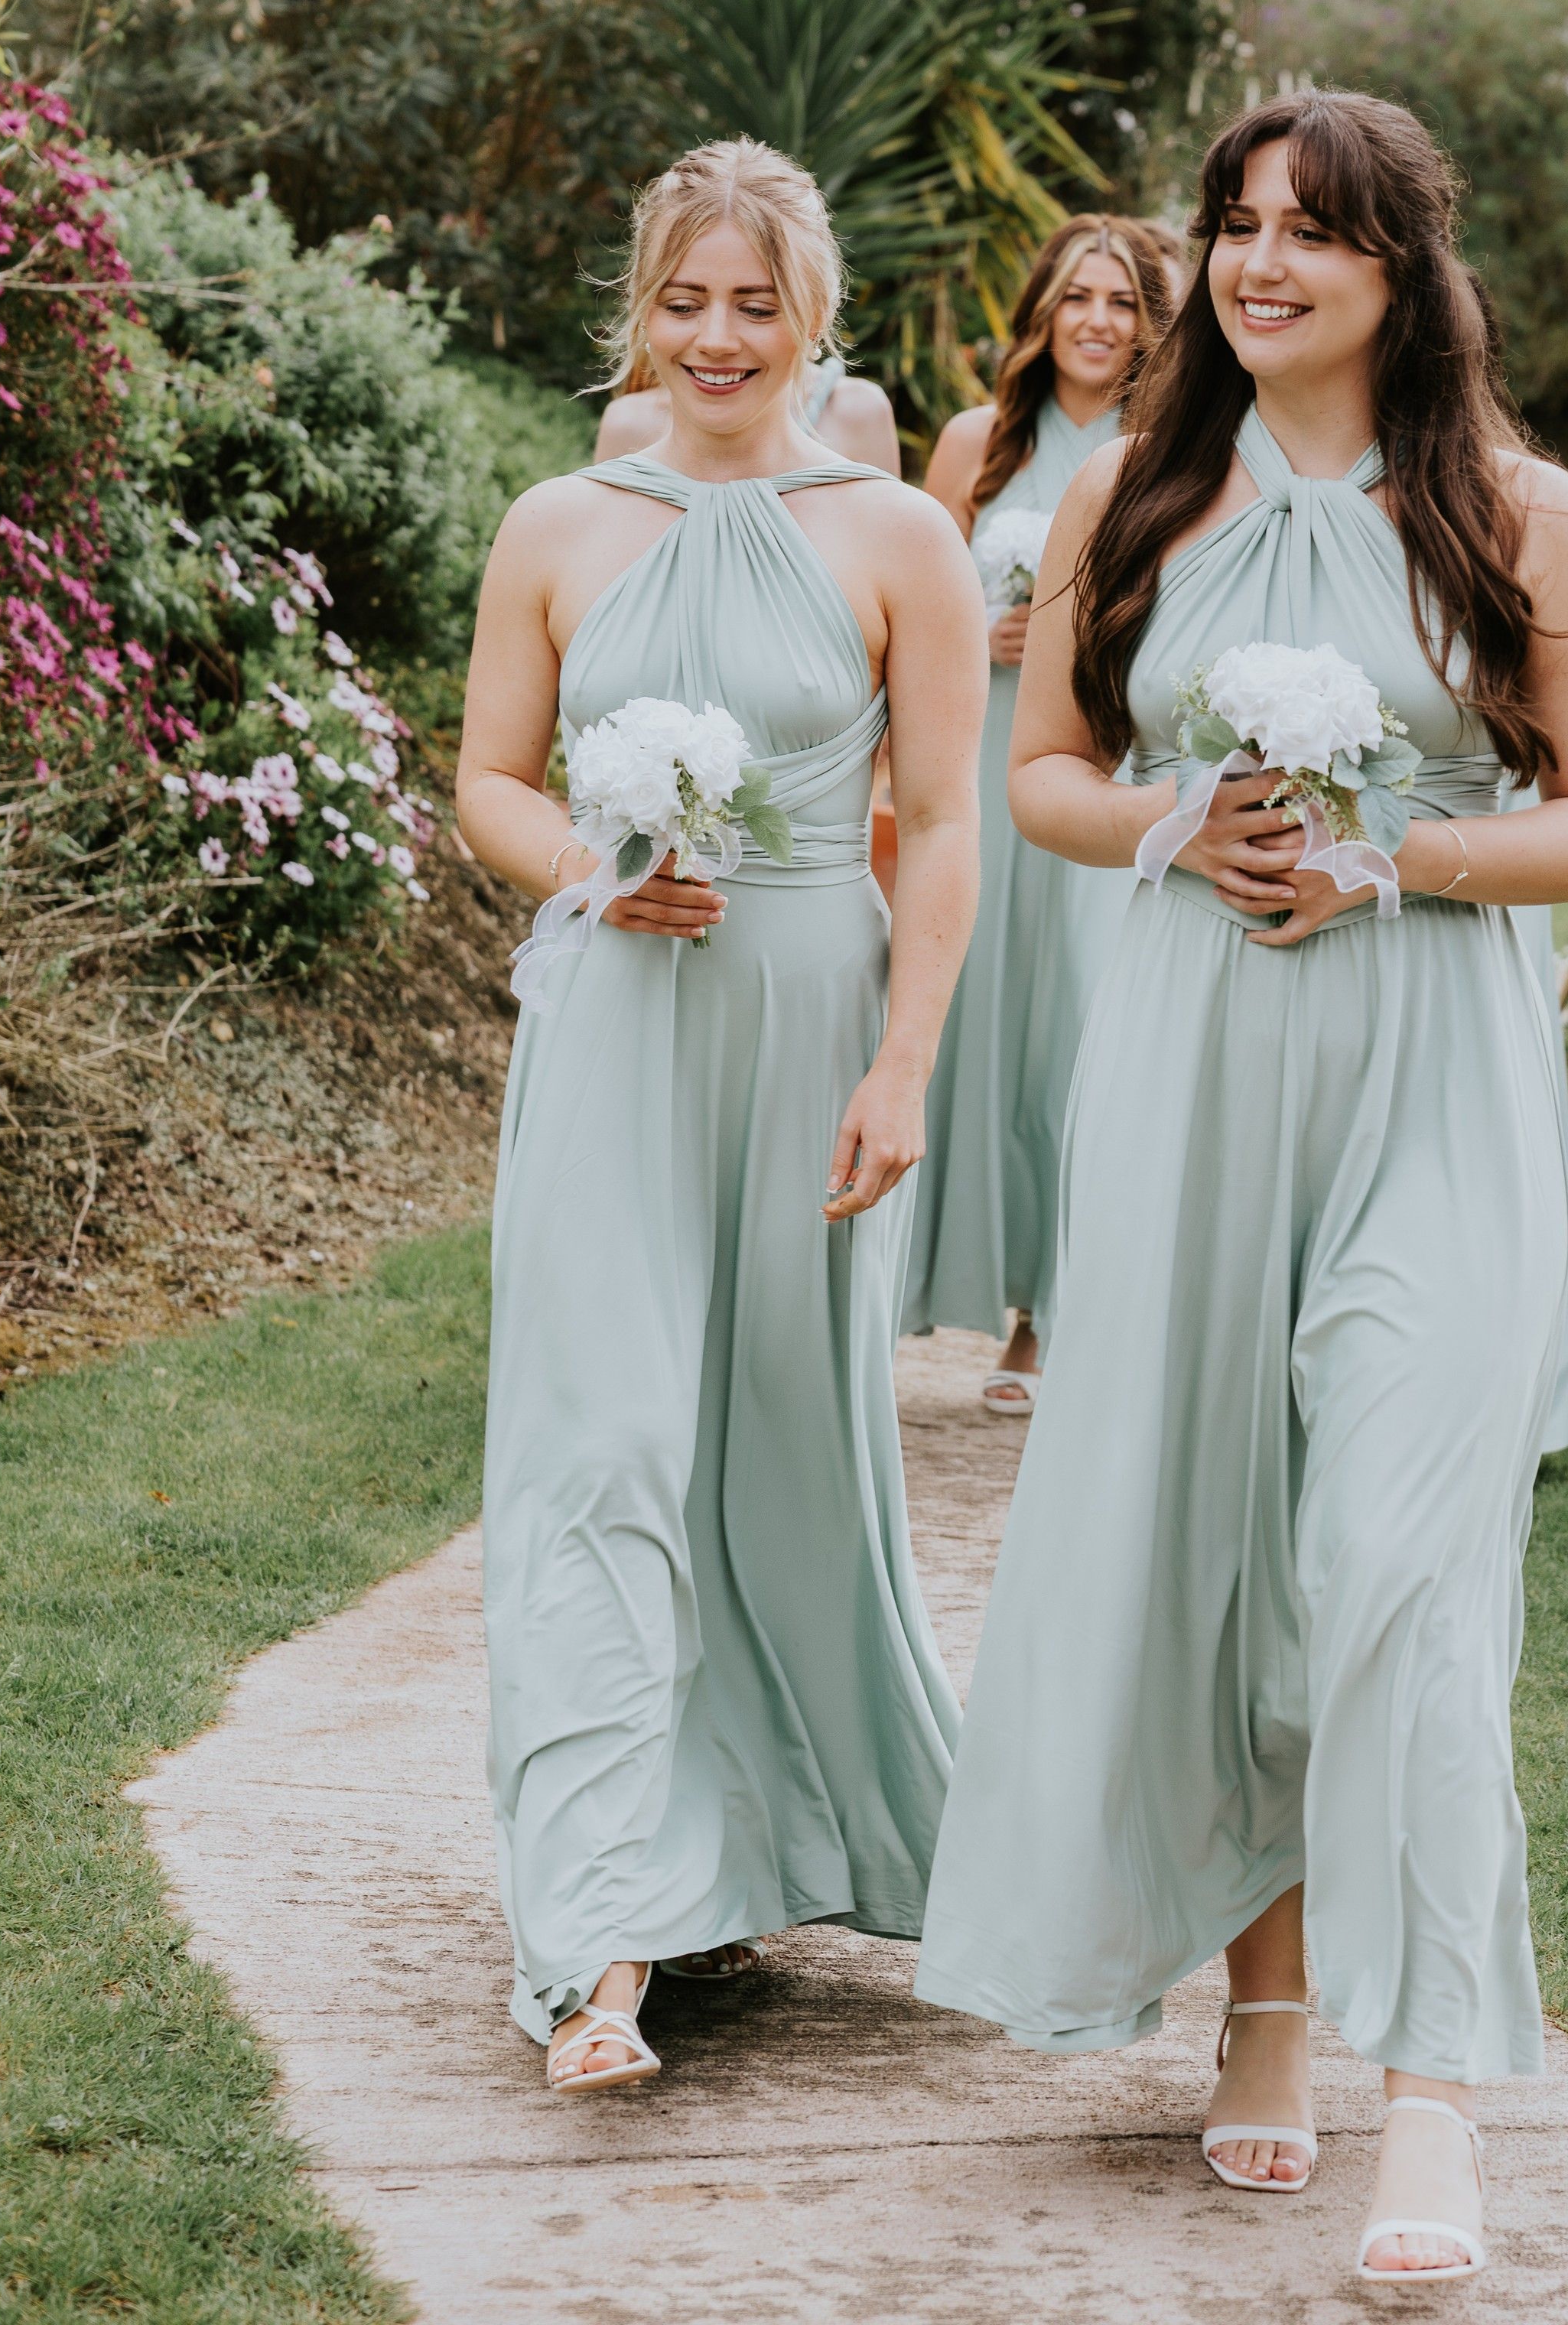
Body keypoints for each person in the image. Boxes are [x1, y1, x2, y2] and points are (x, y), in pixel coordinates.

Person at [913, 94, 1568, 2281]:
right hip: (1190, 1074)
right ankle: (1266, 2013)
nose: (1258, 264)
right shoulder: (1136, 504)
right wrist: (1175, 830)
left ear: (1404, 272)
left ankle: (1431, 2096)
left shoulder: (1526, 516)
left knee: (1404, 1573)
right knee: (1228, 1558)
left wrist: (1396, 859)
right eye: (1236, 227)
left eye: (1312, 235)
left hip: (1432, 1081)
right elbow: (1039, 770)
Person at [458, 137, 987, 2092]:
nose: (714, 335)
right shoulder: (555, 524)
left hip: (801, 1017)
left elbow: (942, 821)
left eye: (752, 303)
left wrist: (904, 1062)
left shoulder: (893, 537)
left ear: (809, 316)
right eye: (684, 297)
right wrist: (590, 866)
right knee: (597, 1445)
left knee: (773, 1449)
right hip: (613, 1019)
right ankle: (597, 1937)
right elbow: (488, 787)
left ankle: (781, 1836)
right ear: (639, 304)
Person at [908, 217, 1174, 1410]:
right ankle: (918, 1284)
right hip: (978, 766)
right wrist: (981, 625)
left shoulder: (1170, 445)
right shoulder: (979, 443)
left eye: (1123, 301)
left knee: (1077, 1030)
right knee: (969, 1019)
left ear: (1149, 321)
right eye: (1079, 298)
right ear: (1042, 314)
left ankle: (1048, 1316)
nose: (1101, 321)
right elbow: (900, 603)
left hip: (1095, 767)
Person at [596, 340, 902, 475]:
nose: (717, 342)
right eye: (682, 306)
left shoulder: (858, 411)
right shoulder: (629, 422)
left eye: (758, 310)